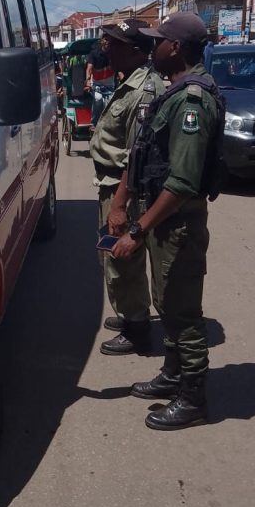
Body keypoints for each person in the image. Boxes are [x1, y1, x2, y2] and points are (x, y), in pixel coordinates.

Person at [109, 12, 223, 430]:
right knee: (166, 301)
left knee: (182, 311)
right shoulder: (173, 91)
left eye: (158, 41)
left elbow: (182, 182)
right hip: (163, 222)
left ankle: (193, 398)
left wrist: (137, 229)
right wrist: (121, 201)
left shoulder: (193, 100)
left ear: (175, 48)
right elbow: (143, 153)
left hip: (178, 224)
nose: (151, 47)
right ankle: (173, 374)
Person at [89, 19, 164, 355]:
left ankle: (137, 328)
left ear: (134, 51)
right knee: (114, 255)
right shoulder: (129, 81)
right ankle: (130, 313)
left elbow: (137, 156)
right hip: (113, 183)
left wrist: (119, 205)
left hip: (124, 187)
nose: (107, 48)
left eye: (114, 44)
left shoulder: (144, 91)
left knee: (123, 258)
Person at [85, 31, 116, 128]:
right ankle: (94, 123)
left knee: (110, 102)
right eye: (106, 39)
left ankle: (108, 124)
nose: (107, 42)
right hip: (97, 83)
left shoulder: (114, 54)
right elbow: (89, 69)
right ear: (101, 41)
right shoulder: (94, 53)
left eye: (109, 40)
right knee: (98, 99)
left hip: (110, 84)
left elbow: (119, 69)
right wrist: (88, 81)